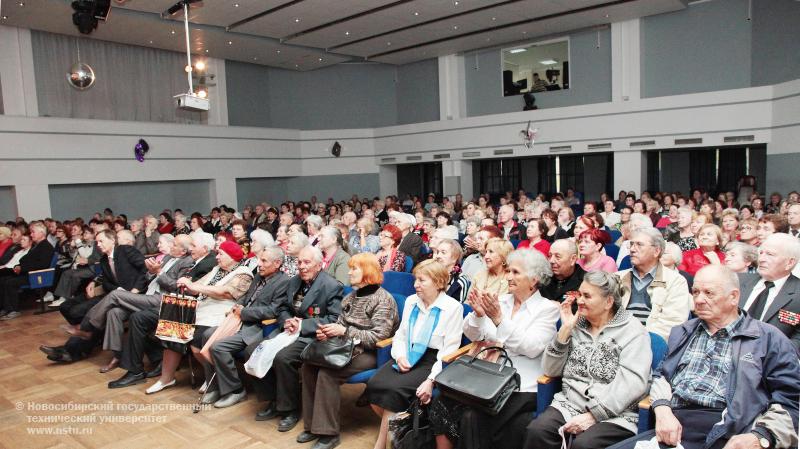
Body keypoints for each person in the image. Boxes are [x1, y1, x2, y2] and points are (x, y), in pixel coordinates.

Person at [608, 265, 800, 449]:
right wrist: (662, 408)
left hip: (731, 428)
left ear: (733, 297)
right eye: (696, 292)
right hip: (675, 423)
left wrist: (761, 436)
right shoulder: (683, 332)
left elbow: (790, 400)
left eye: (709, 293)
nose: (699, 300)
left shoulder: (768, 338)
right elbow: (662, 376)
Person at [431, 249, 559, 449]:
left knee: (472, 416)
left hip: (520, 384)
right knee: (442, 401)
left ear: (534, 280)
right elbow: (475, 336)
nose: (508, 277)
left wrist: (499, 320)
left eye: (516, 273)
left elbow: (532, 347)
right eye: (508, 271)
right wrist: (479, 315)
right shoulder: (500, 301)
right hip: (487, 376)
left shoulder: (548, 309)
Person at [522, 271, 652, 449]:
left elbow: (633, 382)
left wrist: (594, 415)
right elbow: (550, 371)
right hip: (570, 405)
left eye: (587, 296)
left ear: (608, 302)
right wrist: (565, 330)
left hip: (617, 413)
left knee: (585, 445)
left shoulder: (633, 331)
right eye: (580, 294)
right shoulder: (577, 324)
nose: (579, 301)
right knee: (537, 431)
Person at [298, 254, 399, 449]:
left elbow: (379, 338)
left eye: (354, 268)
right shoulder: (351, 296)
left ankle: (328, 434)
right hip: (345, 347)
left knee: (328, 373)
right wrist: (327, 333)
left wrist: (344, 331)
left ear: (367, 272)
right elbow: (339, 324)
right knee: (309, 366)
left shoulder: (383, 300)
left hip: (371, 353)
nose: (349, 272)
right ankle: (312, 426)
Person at [364, 260, 463, 449]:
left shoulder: (453, 308)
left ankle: (381, 443)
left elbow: (449, 350)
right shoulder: (411, 302)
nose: (415, 284)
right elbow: (400, 336)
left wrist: (431, 380)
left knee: (393, 392)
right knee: (374, 384)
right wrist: (400, 355)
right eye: (416, 279)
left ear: (438, 283)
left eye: (422, 280)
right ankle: (398, 432)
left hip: (432, 360)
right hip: (408, 354)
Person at [105, 232, 218, 389]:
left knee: (138, 317)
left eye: (193, 245)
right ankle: (146, 368)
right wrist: (154, 271)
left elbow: (183, 289)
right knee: (130, 316)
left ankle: (144, 371)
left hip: (182, 307)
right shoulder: (194, 261)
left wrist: (163, 274)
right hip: (175, 304)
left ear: (205, 248)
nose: (190, 249)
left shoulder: (206, 263)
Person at [253, 246, 342, 432]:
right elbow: (283, 308)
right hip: (289, 331)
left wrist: (302, 326)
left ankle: (290, 410)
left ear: (319, 265)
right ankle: (274, 399)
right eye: (299, 262)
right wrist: (287, 321)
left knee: (283, 358)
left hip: (314, 335)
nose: (302, 266)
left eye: (307, 262)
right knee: (255, 349)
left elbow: (333, 319)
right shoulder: (294, 282)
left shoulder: (331, 286)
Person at [147, 241, 254, 395]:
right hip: (201, 310)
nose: (216, 257)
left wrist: (194, 287)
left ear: (232, 256)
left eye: (220, 254)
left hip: (221, 314)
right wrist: (186, 283)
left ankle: (212, 374)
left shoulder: (244, 273)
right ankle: (166, 378)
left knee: (196, 340)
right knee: (173, 331)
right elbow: (196, 287)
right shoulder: (217, 269)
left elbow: (226, 293)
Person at [208, 246, 289, 408]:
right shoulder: (259, 276)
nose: (259, 264)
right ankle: (216, 385)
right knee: (206, 335)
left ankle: (235, 390)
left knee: (218, 347)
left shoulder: (284, 282)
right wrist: (236, 307)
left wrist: (244, 312)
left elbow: (272, 311)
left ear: (277, 263)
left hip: (258, 327)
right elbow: (246, 298)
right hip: (240, 321)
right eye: (259, 259)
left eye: (264, 261)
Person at [618, 228, 691, 340]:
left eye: (639, 245)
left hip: (650, 344)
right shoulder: (617, 278)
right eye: (631, 244)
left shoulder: (675, 281)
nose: (632, 249)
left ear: (656, 251)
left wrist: (635, 340)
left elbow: (671, 324)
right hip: (614, 342)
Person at [738, 233, 800, 353]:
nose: (761, 259)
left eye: (770, 254)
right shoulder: (738, 281)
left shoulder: (798, 293)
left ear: (790, 263)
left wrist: (775, 355)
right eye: (761, 253)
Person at [539, 239, 586, 303]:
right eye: (550, 256)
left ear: (573, 259)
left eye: (557, 256)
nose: (551, 261)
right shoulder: (543, 278)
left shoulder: (586, 281)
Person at [432, 239, 471, 303]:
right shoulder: (430, 274)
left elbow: (456, 309)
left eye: (443, 252)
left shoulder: (460, 282)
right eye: (438, 252)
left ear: (455, 257)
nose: (438, 256)